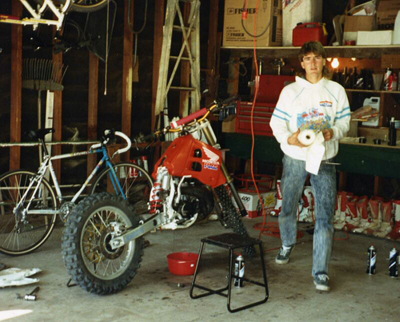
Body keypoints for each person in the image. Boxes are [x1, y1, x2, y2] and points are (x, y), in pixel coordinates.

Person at [269, 41, 350, 292]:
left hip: (324, 159)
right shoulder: (290, 91)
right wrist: (289, 138)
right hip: (294, 156)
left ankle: (321, 272)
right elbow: (276, 124)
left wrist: (332, 131)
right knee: (288, 205)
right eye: (308, 59)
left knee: (325, 214)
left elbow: (345, 123)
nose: (313, 63)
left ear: (324, 61)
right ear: (301, 63)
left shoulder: (336, 90)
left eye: (317, 58)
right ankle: (287, 242)